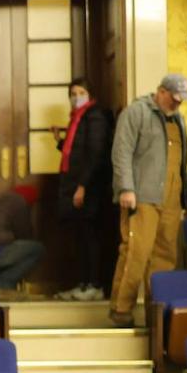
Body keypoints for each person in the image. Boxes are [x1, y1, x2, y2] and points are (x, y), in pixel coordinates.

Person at [108, 74, 187, 327]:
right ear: (161, 91)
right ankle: (121, 310)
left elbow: (181, 161)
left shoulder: (178, 119)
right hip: (142, 196)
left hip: (172, 198)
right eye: (174, 98)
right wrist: (126, 188)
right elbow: (121, 152)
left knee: (165, 257)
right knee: (136, 253)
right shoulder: (135, 112)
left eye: (181, 100)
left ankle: (155, 315)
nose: (177, 104)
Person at [50, 78, 112, 300]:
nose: (77, 97)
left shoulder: (95, 117)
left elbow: (95, 154)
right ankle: (83, 283)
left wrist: (83, 186)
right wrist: (60, 141)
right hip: (76, 185)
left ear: (90, 94)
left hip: (89, 187)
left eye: (81, 92)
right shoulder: (78, 117)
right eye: (73, 93)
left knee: (90, 235)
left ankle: (94, 284)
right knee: (80, 235)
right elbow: (76, 151)